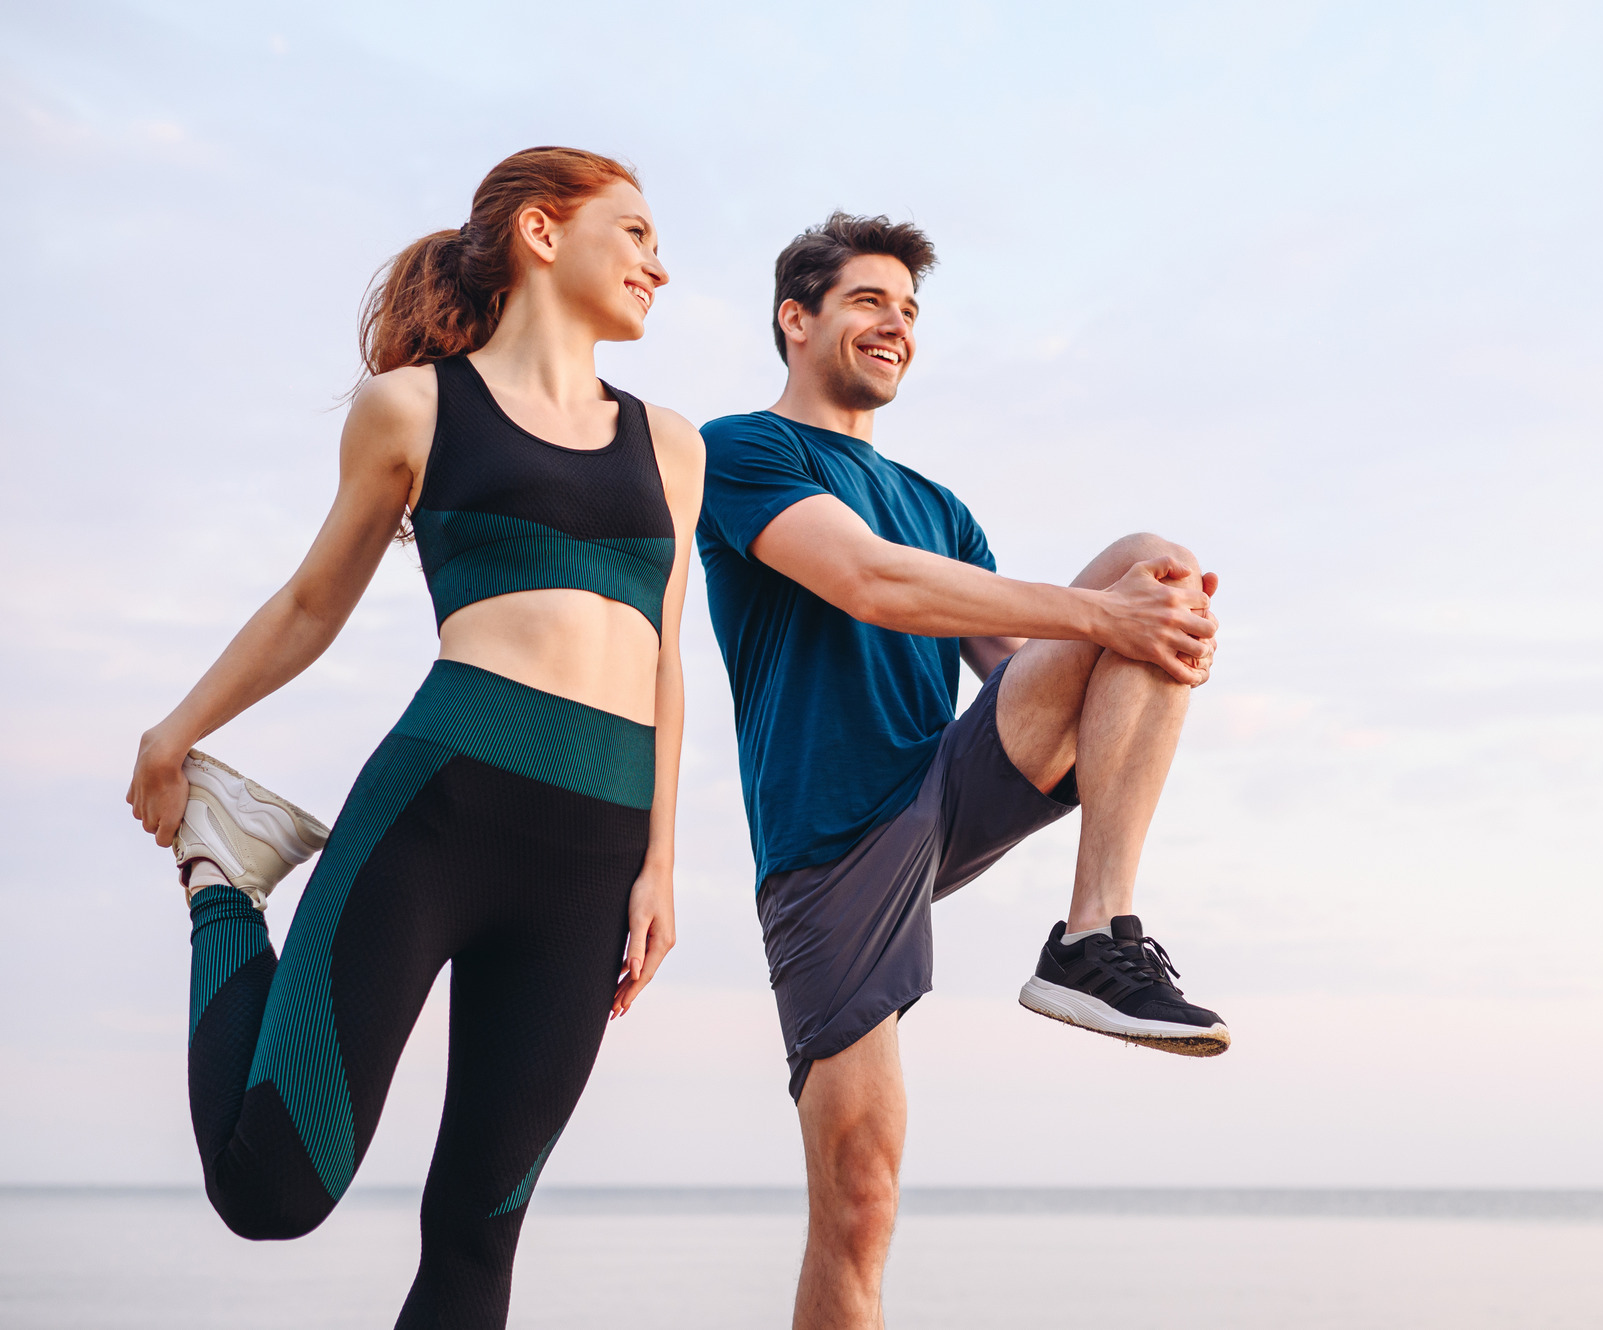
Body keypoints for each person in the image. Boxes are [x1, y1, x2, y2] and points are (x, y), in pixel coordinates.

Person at [124, 147, 705, 1328]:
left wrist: (659, 862)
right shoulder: (415, 407)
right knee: (270, 1190)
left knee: (478, 1242)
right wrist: (175, 733)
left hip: (595, 856)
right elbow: (310, 604)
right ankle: (225, 877)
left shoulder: (672, 444)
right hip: (441, 812)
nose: (659, 263)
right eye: (636, 233)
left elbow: (665, 657)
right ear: (542, 232)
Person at [697, 212, 1227, 1329]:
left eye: (907, 309)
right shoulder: (743, 450)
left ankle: (1093, 935)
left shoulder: (941, 508)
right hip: (830, 839)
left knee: (1157, 567)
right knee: (860, 1198)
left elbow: (1019, 667)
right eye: (867, 301)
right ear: (795, 320)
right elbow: (870, 582)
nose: (894, 324)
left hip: (946, 787)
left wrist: (1149, 638)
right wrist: (1106, 617)